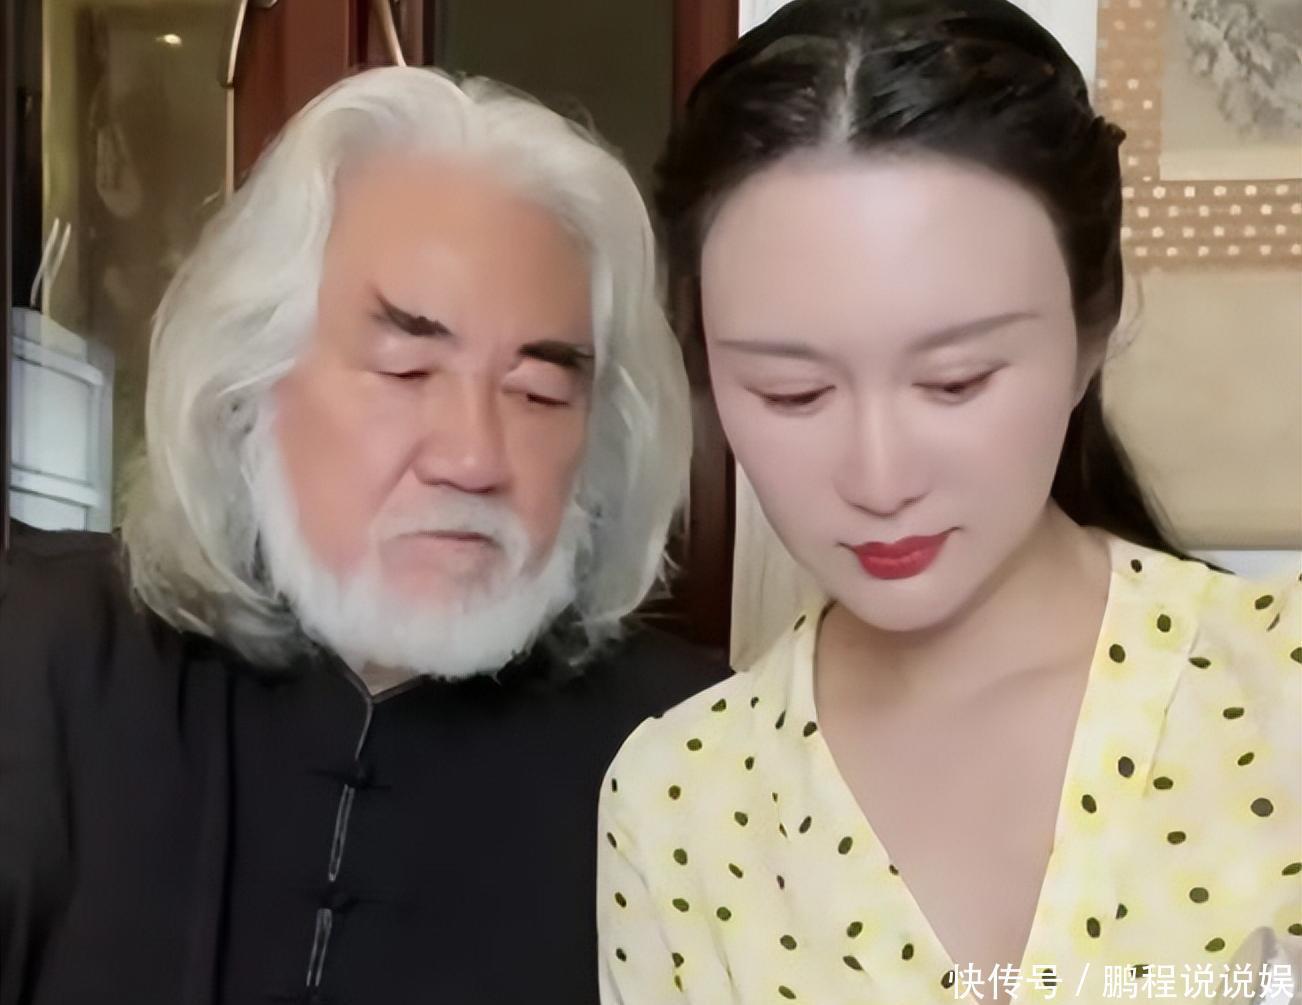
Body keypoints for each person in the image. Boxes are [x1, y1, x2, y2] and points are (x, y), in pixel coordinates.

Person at [596, 2, 1301, 1002]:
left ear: (1090, 329)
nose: (879, 479)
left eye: (957, 380)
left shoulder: (1281, 685)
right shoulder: (681, 798)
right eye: (792, 393)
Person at [0, 66, 726, 1005]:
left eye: (541, 392)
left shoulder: (691, 760)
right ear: (251, 380)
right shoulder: (41, 655)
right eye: (406, 370)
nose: (474, 458)